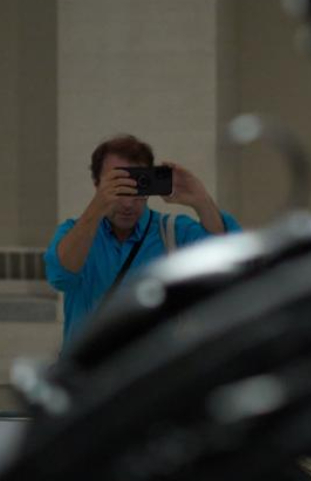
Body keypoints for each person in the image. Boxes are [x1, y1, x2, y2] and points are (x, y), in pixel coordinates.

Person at [44, 135, 241, 347]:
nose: (128, 203)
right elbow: (60, 277)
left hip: (151, 375)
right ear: (97, 185)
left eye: (137, 187)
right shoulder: (75, 233)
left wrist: (200, 200)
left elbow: (228, 264)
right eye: (119, 187)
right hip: (90, 374)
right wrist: (97, 207)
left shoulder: (172, 232)